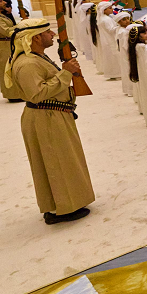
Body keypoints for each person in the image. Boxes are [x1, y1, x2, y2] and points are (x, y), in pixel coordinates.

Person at [7, 18, 94, 224]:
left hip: (52, 115)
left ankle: (61, 204)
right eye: (47, 32)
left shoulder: (37, 57)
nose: (53, 34)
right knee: (56, 162)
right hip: (45, 117)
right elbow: (37, 94)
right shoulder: (28, 64)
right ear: (36, 38)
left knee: (61, 160)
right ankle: (62, 209)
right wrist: (66, 73)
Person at [0, 0, 22, 102]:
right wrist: (20, 26)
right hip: (3, 46)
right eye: (0, 1)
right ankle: (12, 95)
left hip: (8, 45)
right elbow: (6, 31)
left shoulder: (2, 16)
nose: (4, 2)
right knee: (7, 69)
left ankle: (17, 93)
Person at [96, 1, 121, 79]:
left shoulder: (104, 18)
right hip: (110, 40)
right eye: (110, 8)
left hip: (107, 40)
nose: (112, 9)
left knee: (110, 57)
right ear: (104, 10)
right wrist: (120, 26)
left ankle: (112, 73)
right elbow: (111, 30)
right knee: (114, 57)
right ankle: (116, 74)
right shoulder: (106, 19)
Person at [114, 13, 133, 96]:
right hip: (126, 54)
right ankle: (131, 90)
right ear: (119, 22)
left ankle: (128, 89)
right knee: (128, 70)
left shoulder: (120, 30)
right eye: (124, 20)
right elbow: (127, 45)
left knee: (126, 70)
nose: (127, 21)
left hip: (123, 53)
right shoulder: (123, 32)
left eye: (128, 19)